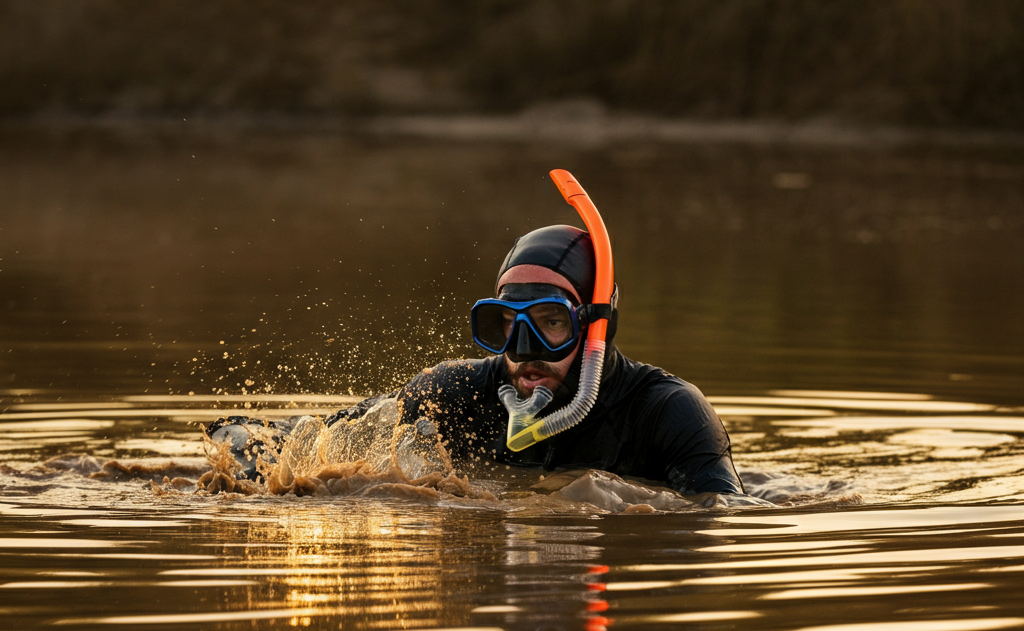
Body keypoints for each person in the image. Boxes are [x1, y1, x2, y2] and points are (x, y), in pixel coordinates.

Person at [207, 171, 743, 496]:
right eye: (510, 324)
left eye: (552, 322)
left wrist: (613, 501)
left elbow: (723, 519)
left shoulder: (666, 413)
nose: (525, 352)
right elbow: (316, 447)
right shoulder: (456, 396)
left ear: (595, 325)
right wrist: (245, 451)